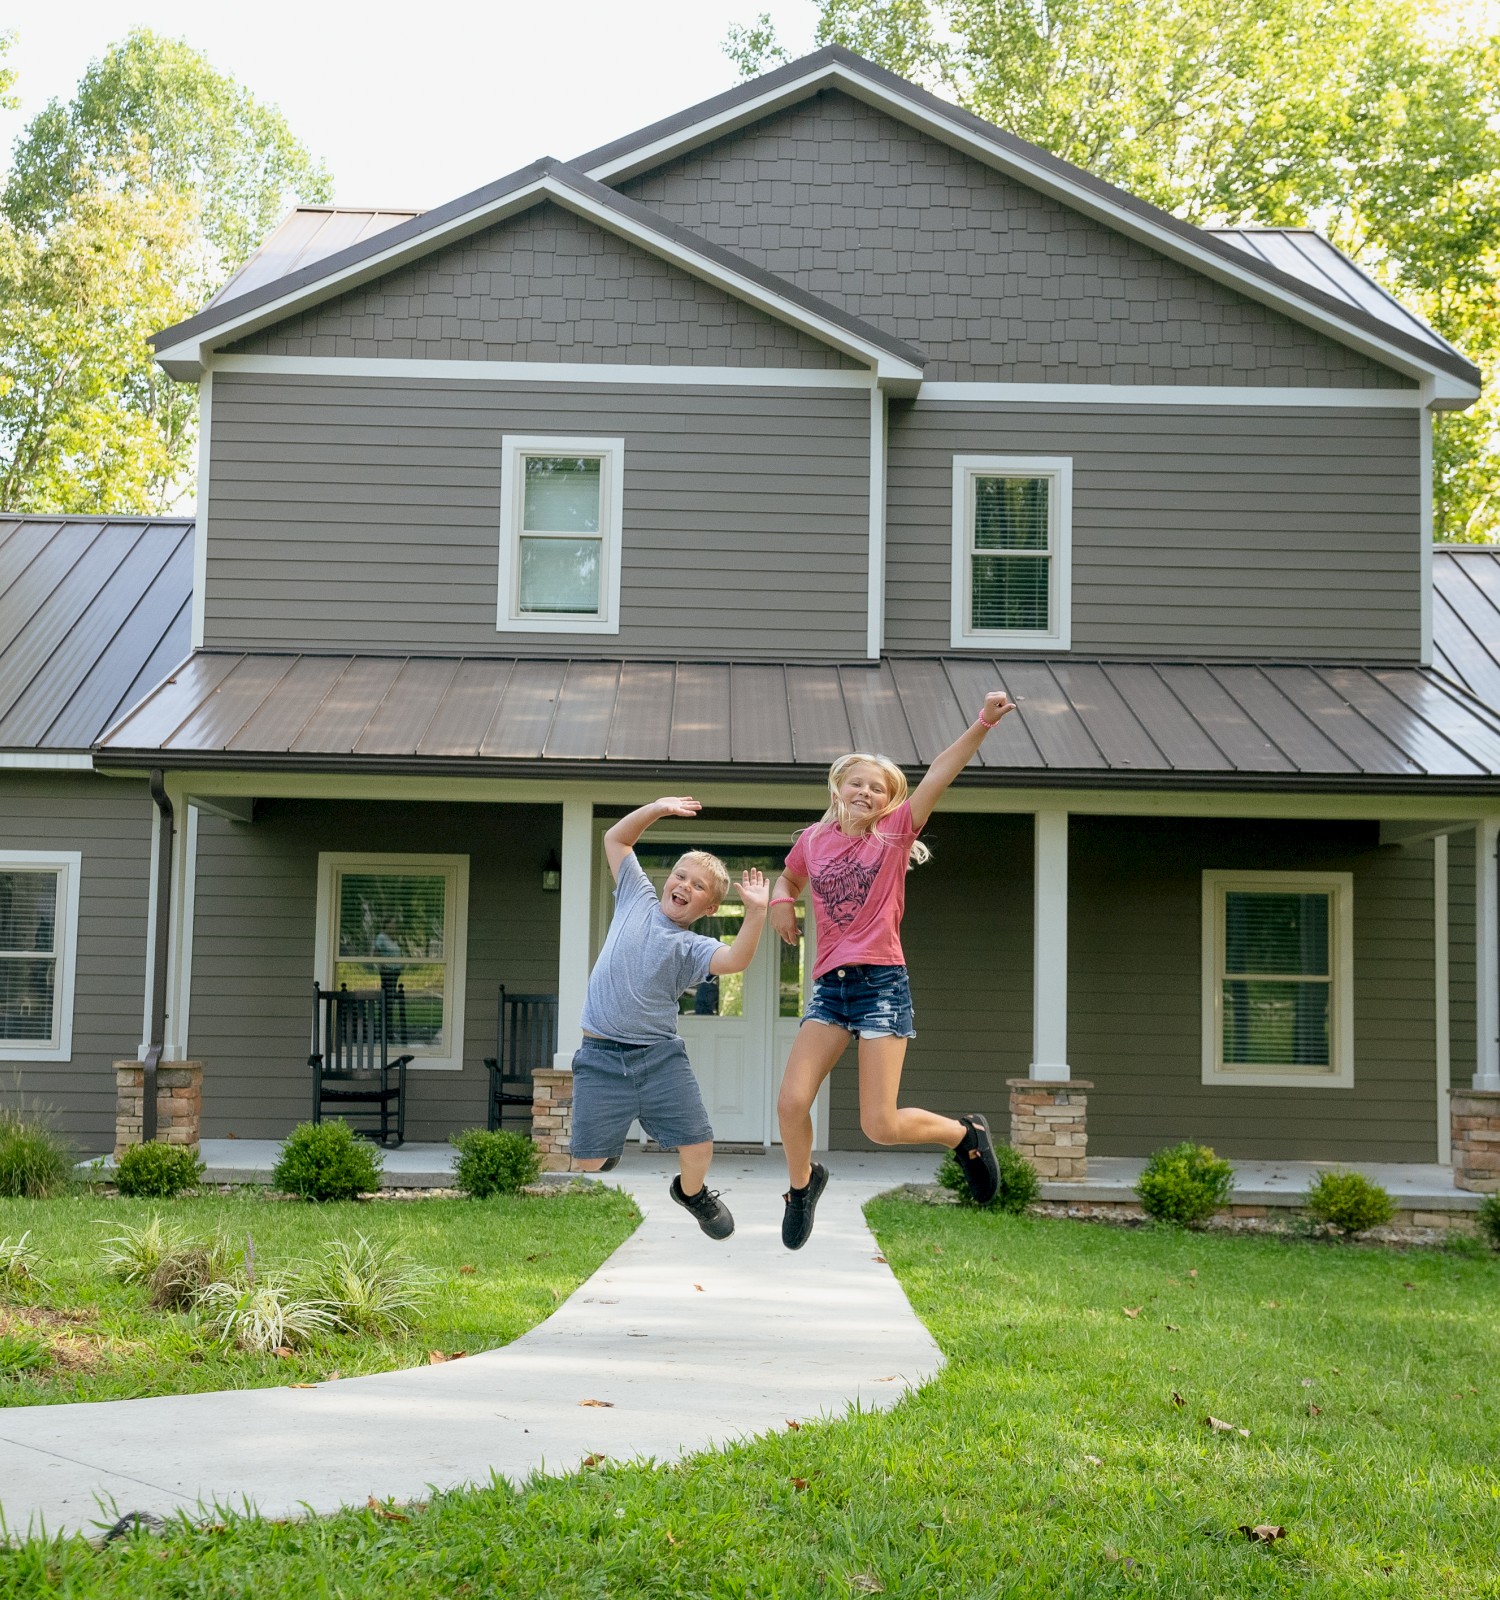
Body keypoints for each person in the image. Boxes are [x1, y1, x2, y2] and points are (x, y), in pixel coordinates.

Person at [769, 690, 1017, 1249]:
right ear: (838, 788)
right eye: (856, 781)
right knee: (790, 1103)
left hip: (881, 983)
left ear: (889, 803)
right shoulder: (812, 840)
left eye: (878, 787)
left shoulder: (895, 833)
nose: (865, 791)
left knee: (879, 1125)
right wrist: (782, 906)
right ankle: (802, 1188)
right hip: (830, 990)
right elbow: (788, 879)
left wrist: (982, 723)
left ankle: (964, 1134)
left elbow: (941, 773)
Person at [569, 796, 769, 1239]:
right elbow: (616, 838)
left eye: (698, 887)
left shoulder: (692, 946)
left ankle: (692, 1193)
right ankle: (608, 1143)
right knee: (587, 1163)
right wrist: (657, 808)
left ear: (709, 908)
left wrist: (756, 912)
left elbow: (736, 960)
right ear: (667, 880)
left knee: (699, 1144)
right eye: (681, 875)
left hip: (658, 1060)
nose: (685, 885)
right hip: (600, 1056)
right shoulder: (635, 897)